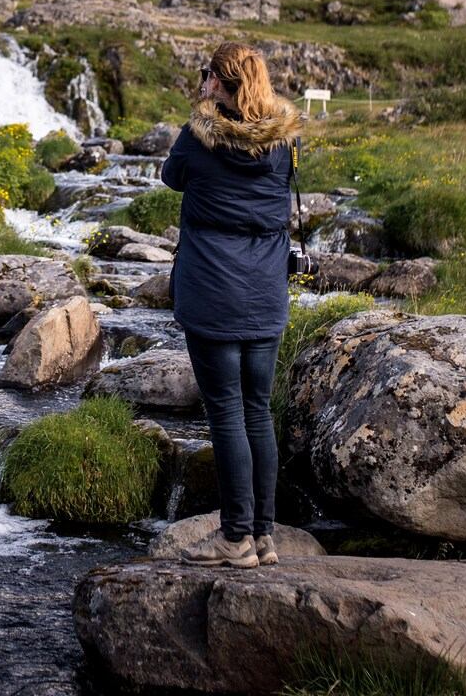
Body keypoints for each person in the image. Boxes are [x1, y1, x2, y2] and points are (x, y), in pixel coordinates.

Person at [161, 41, 301, 568]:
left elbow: (170, 178)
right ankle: (263, 536)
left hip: (213, 291)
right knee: (257, 410)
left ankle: (234, 538)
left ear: (219, 82)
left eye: (206, 76)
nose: (201, 83)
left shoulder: (199, 138)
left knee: (225, 413)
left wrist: (201, 114)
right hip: (265, 291)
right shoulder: (283, 144)